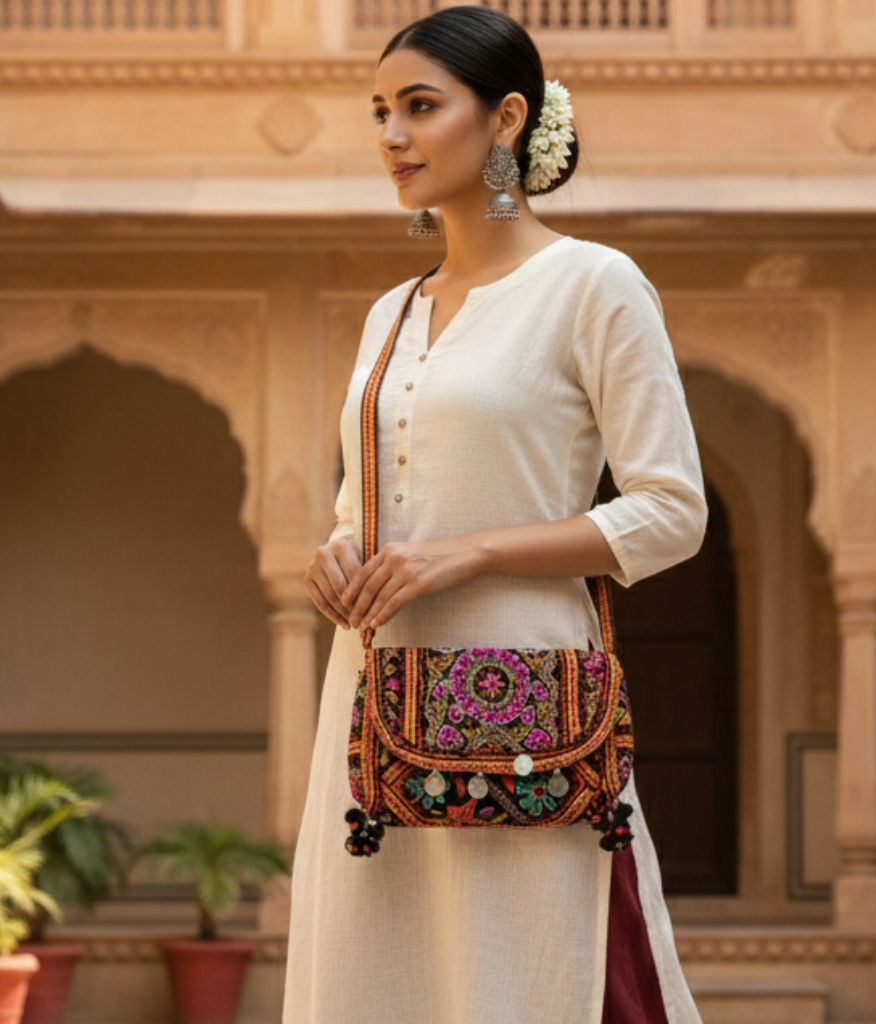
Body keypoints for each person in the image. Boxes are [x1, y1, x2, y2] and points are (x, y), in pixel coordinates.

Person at [284, 6, 708, 1023]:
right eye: (380, 111)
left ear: (507, 117)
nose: (391, 137)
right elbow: (363, 506)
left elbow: (669, 511)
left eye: (420, 108)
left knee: (537, 975)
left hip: (521, 709)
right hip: (373, 716)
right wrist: (336, 557)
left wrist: (470, 556)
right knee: (377, 979)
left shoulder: (592, 286)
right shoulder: (391, 313)